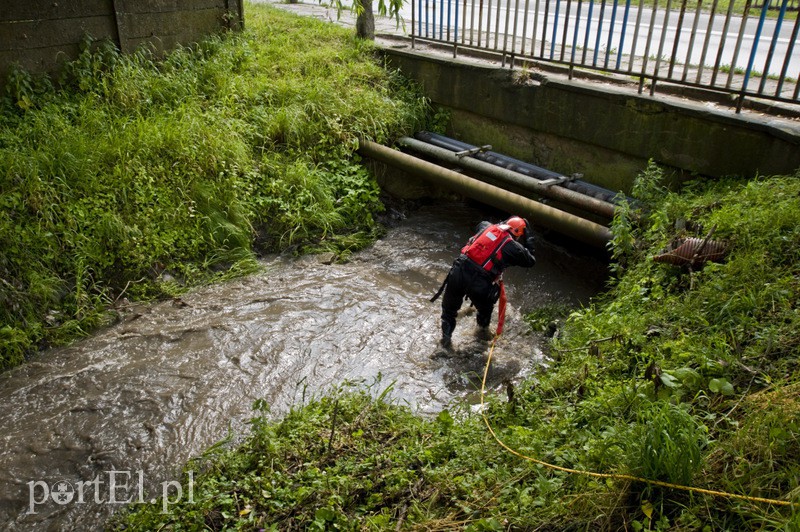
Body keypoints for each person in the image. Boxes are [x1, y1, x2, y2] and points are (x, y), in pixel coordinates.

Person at [432, 216, 536, 348]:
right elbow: (531, 261)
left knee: (448, 312)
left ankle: (445, 342)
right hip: (480, 282)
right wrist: (529, 240)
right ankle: (481, 336)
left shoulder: (486, 227)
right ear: (519, 235)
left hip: (458, 270)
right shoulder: (514, 247)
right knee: (485, 310)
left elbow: (481, 224)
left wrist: (501, 224)